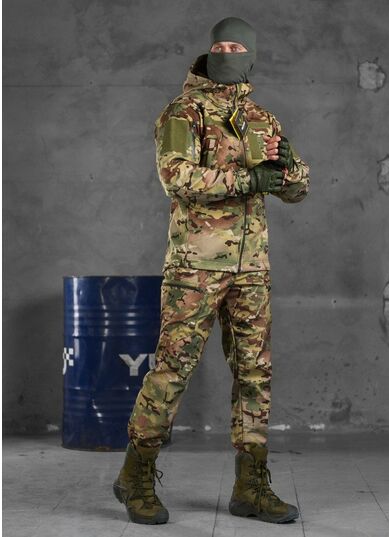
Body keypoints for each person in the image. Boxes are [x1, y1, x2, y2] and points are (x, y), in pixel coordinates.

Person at [113, 16, 310, 525]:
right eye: (220, 45)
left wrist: (288, 166)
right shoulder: (183, 111)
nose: (227, 53)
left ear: (250, 55)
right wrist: (249, 179)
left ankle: (251, 486)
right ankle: (135, 476)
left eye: (237, 46)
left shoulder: (262, 118)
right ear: (209, 51)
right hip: (196, 266)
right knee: (172, 369)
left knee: (255, 374)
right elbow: (177, 178)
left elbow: (295, 190)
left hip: (252, 268)